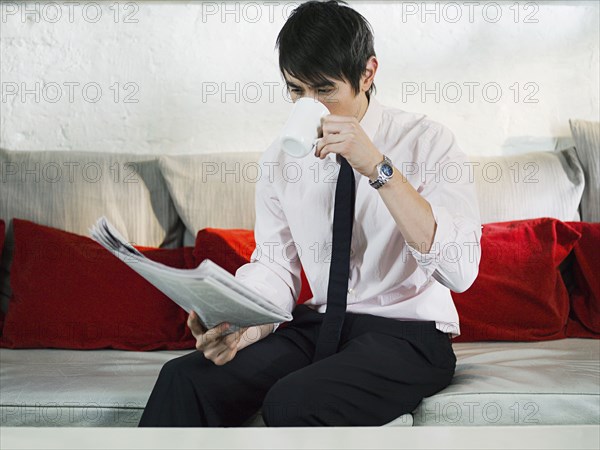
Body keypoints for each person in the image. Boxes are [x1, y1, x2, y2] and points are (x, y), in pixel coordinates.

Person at [138, 0, 481, 427]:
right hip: (320, 327)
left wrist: (377, 166)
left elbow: (461, 270)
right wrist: (244, 324)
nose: (310, 105)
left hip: (408, 335)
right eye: (296, 91)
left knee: (294, 401)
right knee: (184, 378)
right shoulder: (281, 158)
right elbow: (277, 266)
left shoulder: (427, 141)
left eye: (324, 90)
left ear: (367, 73)